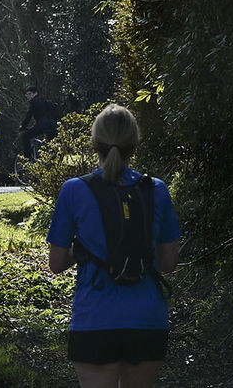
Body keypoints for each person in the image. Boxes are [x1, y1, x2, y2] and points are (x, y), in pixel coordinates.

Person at [47, 104, 180, 388]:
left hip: (94, 319)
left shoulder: (74, 189)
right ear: (134, 143)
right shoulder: (156, 189)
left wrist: (79, 251)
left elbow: (56, 264)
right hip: (147, 320)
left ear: (95, 144)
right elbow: (168, 263)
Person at [21, 86, 60, 159]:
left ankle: (28, 159)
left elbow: (28, 116)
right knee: (52, 146)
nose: (28, 96)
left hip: (42, 125)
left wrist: (23, 126)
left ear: (35, 93)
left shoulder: (34, 102)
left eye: (29, 94)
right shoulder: (44, 101)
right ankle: (53, 162)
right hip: (53, 125)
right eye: (27, 94)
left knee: (25, 137)